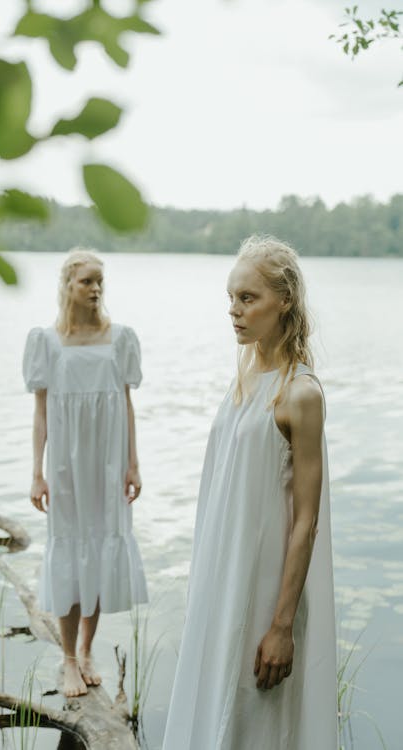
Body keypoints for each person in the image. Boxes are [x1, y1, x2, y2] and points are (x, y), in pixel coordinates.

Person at [162, 236, 337, 750]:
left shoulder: (300, 393)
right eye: (231, 299)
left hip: (265, 593)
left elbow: (307, 520)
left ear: (284, 301)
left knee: (256, 722)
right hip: (225, 578)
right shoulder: (244, 377)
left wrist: (282, 625)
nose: (234, 312)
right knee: (214, 706)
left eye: (248, 299)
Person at [22, 248, 148, 698]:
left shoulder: (120, 338)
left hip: (109, 464)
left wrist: (133, 463)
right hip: (66, 467)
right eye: (87, 281)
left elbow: (127, 404)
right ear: (67, 286)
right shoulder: (47, 341)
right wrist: (37, 473)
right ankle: (70, 660)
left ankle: (88, 649)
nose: (95, 289)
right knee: (71, 552)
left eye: (100, 282)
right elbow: (40, 416)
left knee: (99, 551)